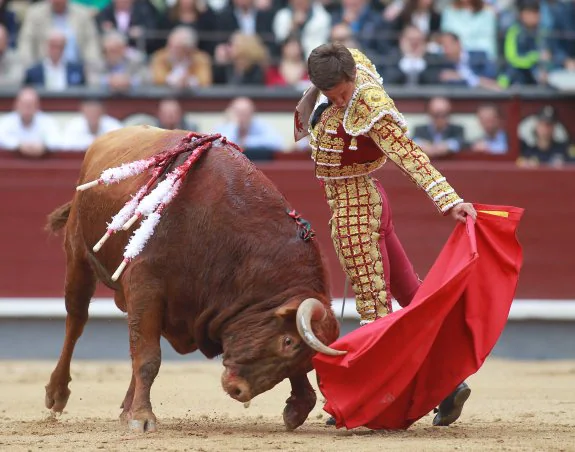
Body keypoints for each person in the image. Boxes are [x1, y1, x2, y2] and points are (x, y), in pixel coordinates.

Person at [294, 43, 477, 427]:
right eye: (332, 95)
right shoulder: (347, 62)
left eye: (343, 92)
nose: (341, 100)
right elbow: (337, 49)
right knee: (412, 296)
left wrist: (448, 199)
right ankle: (447, 384)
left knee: (375, 314)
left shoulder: (369, 105)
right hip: (368, 199)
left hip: (356, 210)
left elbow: (409, 154)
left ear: (352, 79)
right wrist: (316, 92)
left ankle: (377, 402)